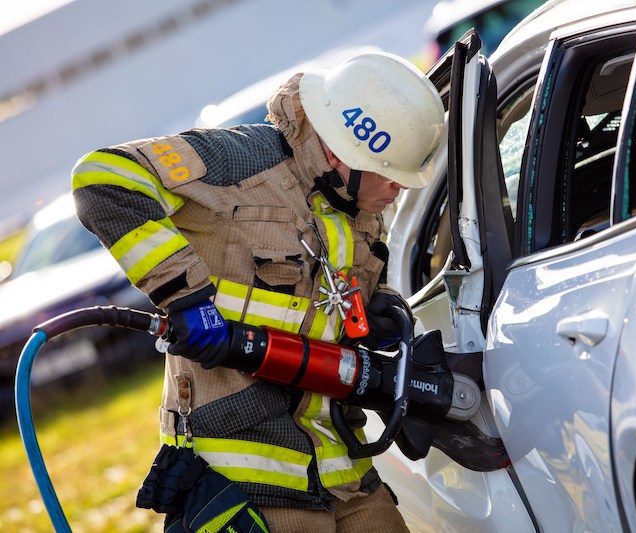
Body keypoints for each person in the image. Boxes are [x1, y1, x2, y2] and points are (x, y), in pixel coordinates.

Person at [71, 51, 445, 532]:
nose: (398, 190)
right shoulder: (238, 162)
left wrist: (378, 306)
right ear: (339, 153)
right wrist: (185, 296)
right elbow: (104, 178)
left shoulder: (357, 201)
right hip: (248, 471)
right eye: (389, 174)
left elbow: (330, 290)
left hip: (342, 468)